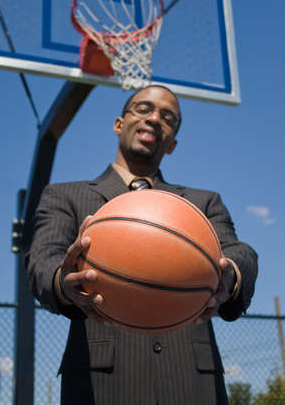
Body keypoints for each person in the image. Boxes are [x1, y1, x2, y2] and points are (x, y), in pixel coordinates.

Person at [26, 85, 258, 405]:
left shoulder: (200, 204)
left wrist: (230, 274)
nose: (154, 119)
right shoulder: (65, 195)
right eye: (143, 109)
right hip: (102, 384)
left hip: (192, 384)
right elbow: (42, 258)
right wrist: (63, 282)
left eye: (168, 117)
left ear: (172, 143)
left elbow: (240, 253)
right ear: (119, 124)